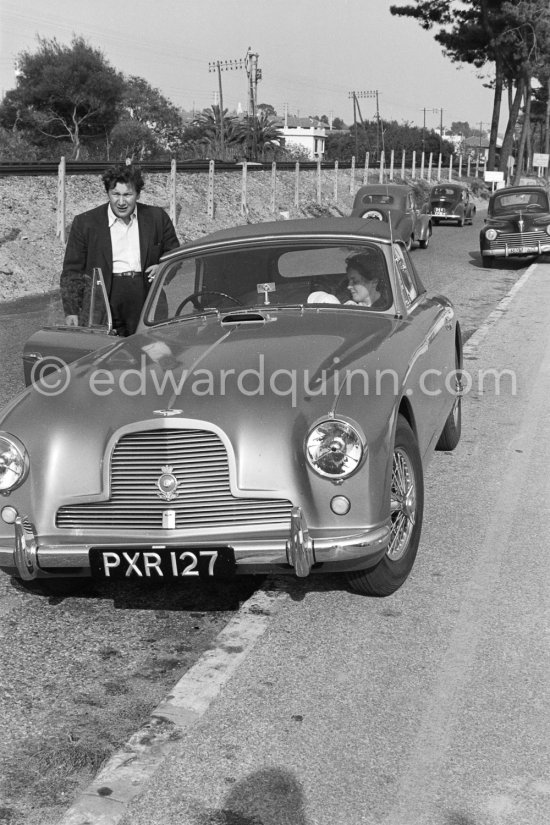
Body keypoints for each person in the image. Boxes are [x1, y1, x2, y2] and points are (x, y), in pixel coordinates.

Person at [60, 164, 180, 336]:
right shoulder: (85, 223)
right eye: (115, 194)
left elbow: (174, 254)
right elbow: (72, 270)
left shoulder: (157, 218)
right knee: (104, 356)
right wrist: (71, 310)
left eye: (127, 195)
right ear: (108, 193)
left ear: (138, 194)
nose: (121, 202)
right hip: (103, 299)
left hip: (146, 297)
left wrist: (163, 267)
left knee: (151, 351)